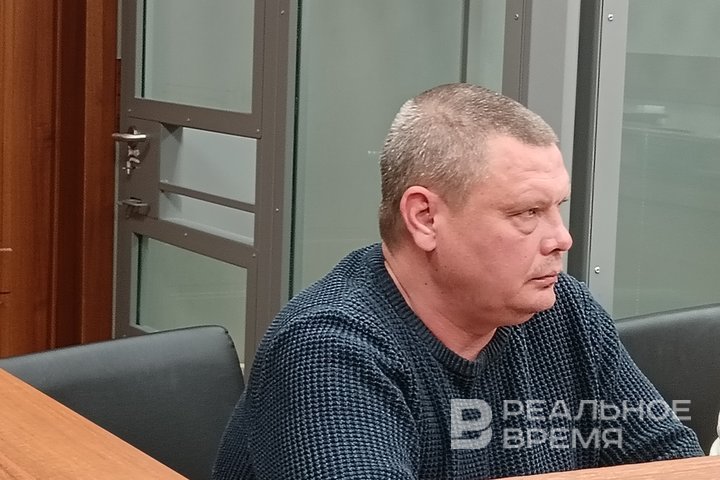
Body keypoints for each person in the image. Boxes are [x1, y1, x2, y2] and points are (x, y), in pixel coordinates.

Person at [213, 83, 703, 479]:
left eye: (558, 207)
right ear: (425, 218)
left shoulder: (562, 310)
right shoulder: (328, 351)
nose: (562, 238)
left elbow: (675, 462)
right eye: (527, 213)